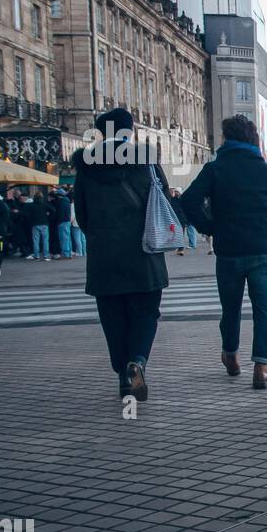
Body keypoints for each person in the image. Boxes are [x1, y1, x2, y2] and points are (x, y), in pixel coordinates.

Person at [182, 114, 267, 390]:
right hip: (260, 249)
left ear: (227, 139)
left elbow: (188, 201)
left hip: (228, 249)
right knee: (263, 308)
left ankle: (231, 355)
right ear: (253, 140)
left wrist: (209, 227)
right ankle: (261, 366)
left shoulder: (215, 169)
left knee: (230, 308)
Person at [73, 107, 169, 401]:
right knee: (146, 313)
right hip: (144, 254)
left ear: (102, 133)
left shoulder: (87, 167)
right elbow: (163, 201)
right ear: (129, 131)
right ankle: (136, 362)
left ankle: (122, 377)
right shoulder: (147, 162)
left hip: (105, 257)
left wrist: (102, 237)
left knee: (113, 318)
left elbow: (82, 215)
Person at [26, 190, 51, 260]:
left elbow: (27, 214)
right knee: (45, 240)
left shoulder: (31, 205)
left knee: (35, 241)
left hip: (35, 224)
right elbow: (53, 210)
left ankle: (36, 255)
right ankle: (46, 255)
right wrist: (48, 215)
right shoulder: (45, 204)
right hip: (44, 223)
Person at [169, 188, 193, 256]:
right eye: (175, 191)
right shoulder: (172, 200)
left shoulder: (183, 200)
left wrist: (187, 220)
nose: (176, 193)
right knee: (175, 234)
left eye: (177, 192)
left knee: (181, 234)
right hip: (174, 219)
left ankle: (181, 249)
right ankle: (178, 247)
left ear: (180, 193)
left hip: (182, 219)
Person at [51, 187, 74, 258]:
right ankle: (69, 253)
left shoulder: (60, 202)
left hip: (62, 221)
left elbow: (58, 213)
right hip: (67, 221)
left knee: (63, 238)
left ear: (59, 195)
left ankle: (65, 254)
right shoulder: (67, 201)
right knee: (68, 237)